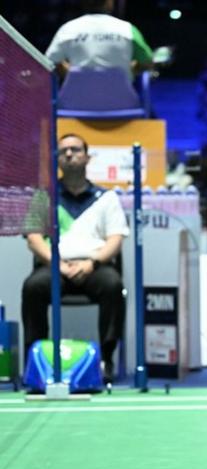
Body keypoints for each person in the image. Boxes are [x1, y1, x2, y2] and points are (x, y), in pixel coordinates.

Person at [22, 134, 129, 384]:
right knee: (33, 287)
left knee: (113, 285)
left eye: (75, 150)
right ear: (56, 159)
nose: (69, 154)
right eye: (63, 151)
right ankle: (36, 361)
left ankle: (106, 359)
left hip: (93, 266)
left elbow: (115, 238)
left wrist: (92, 263)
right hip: (54, 266)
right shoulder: (43, 196)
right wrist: (56, 263)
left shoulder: (106, 198)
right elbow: (34, 238)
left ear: (87, 157)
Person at [44, 0, 154, 81]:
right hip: (121, 104)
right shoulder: (128, 29)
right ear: (109, 3)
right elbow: (148, 62)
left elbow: (49, 63)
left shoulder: (68, 29)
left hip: (77, 105)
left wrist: (71, 74)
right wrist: (130, 70)